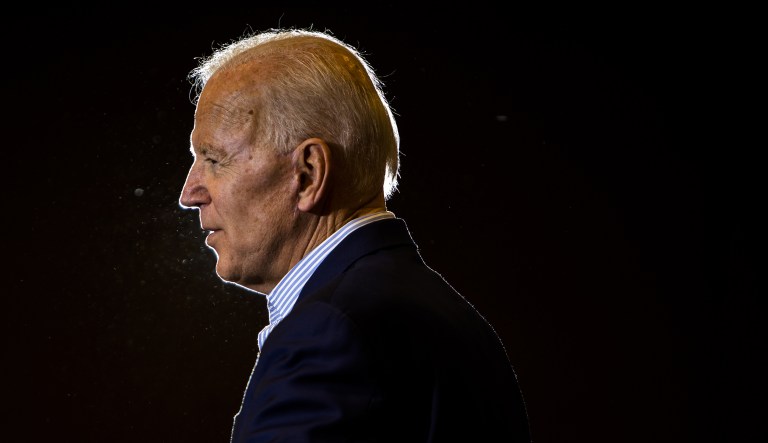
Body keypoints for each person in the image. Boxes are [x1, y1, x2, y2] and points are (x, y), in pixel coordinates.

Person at [178, 27, 531, 443]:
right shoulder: (442, 314)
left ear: (308, 173)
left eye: (215, 159)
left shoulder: (330, 331)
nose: (190, 193)